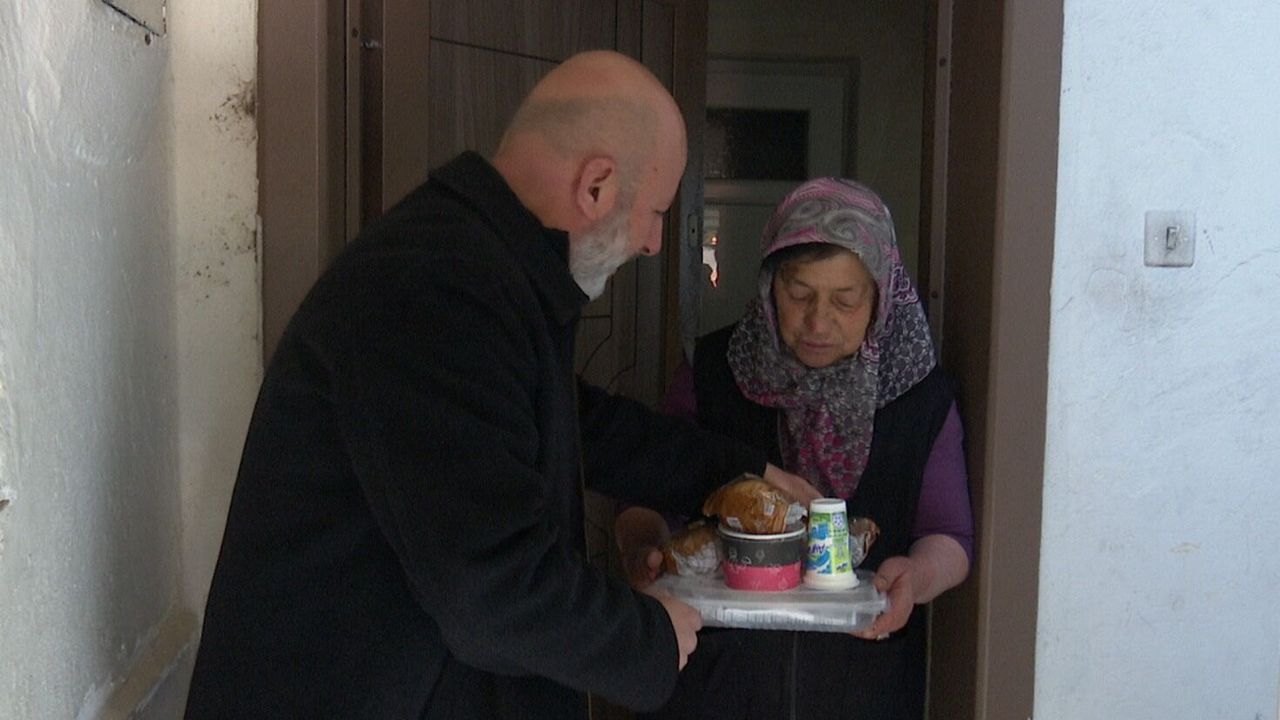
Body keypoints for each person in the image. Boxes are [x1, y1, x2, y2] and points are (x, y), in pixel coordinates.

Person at [183, 50, 819, 720]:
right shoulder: (433, 286)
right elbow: (489, 588)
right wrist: (650, 637)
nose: (654, 243)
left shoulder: (483, 270)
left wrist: (739, 475)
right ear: (596, 186)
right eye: (655, 212)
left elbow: (582, 425)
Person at [616, 178, 974, 720]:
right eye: (799, 294)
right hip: (715, 682)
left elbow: (949, 534)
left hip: (858, 684)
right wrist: (645, 547)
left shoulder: (918, 397)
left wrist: (915, 578)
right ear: (769, 286)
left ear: (880, 296)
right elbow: (646, 488)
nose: (818, 322)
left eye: (845, 300)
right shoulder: (715, 373)